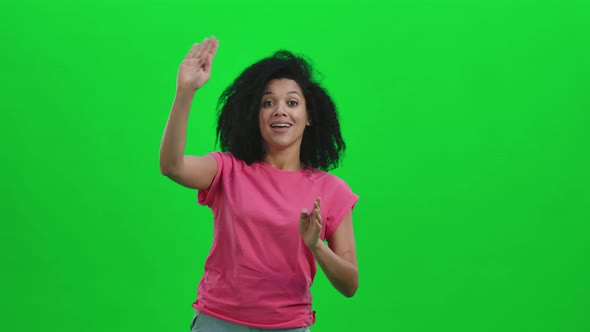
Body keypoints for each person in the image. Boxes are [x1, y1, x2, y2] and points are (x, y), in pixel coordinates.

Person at [160, 36, 359, 332]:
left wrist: (316, 245)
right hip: (219, 321)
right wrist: (185, 91)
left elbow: (349, 283)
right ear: (255, 115)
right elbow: (172, 166)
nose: (280, 110)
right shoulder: (227, 169)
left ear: (309, 117)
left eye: (292, 102)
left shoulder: (331, 190)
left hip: (288, 326)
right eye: (268, 102)